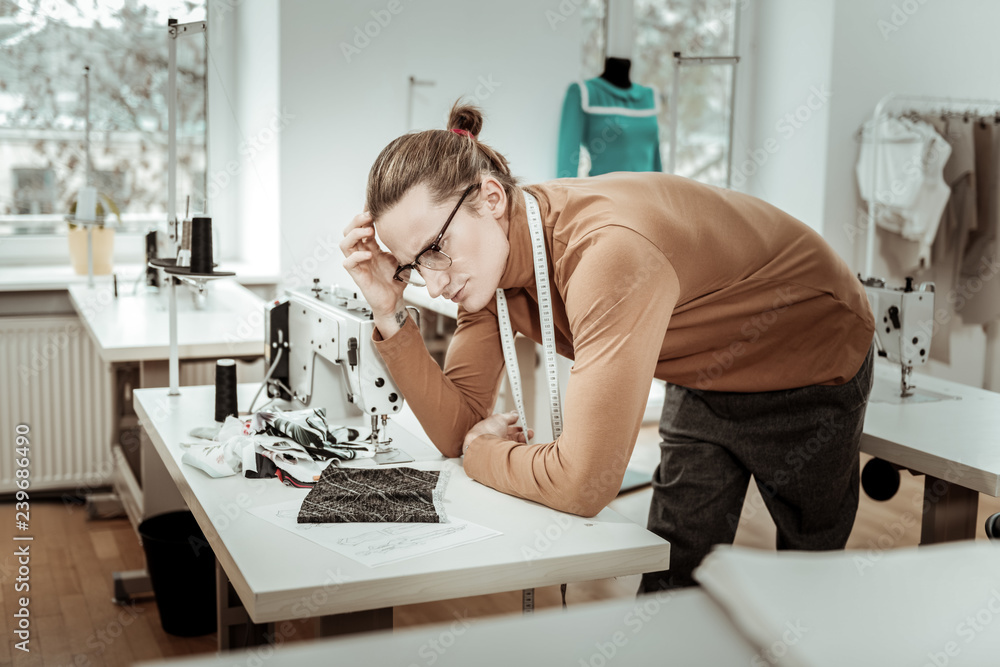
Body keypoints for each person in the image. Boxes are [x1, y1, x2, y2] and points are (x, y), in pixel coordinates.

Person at [339, 102, 876, 591]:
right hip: (701, 368)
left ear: (491, 197)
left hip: (811, 351)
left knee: (809, 580)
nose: (433, 285)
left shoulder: (607, 253)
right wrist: (389, 312)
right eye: (416, 265)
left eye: (436, 248)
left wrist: (487, 455)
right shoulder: (486, 270)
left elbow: (582, 483)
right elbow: (460, 429)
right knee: (673, 574)